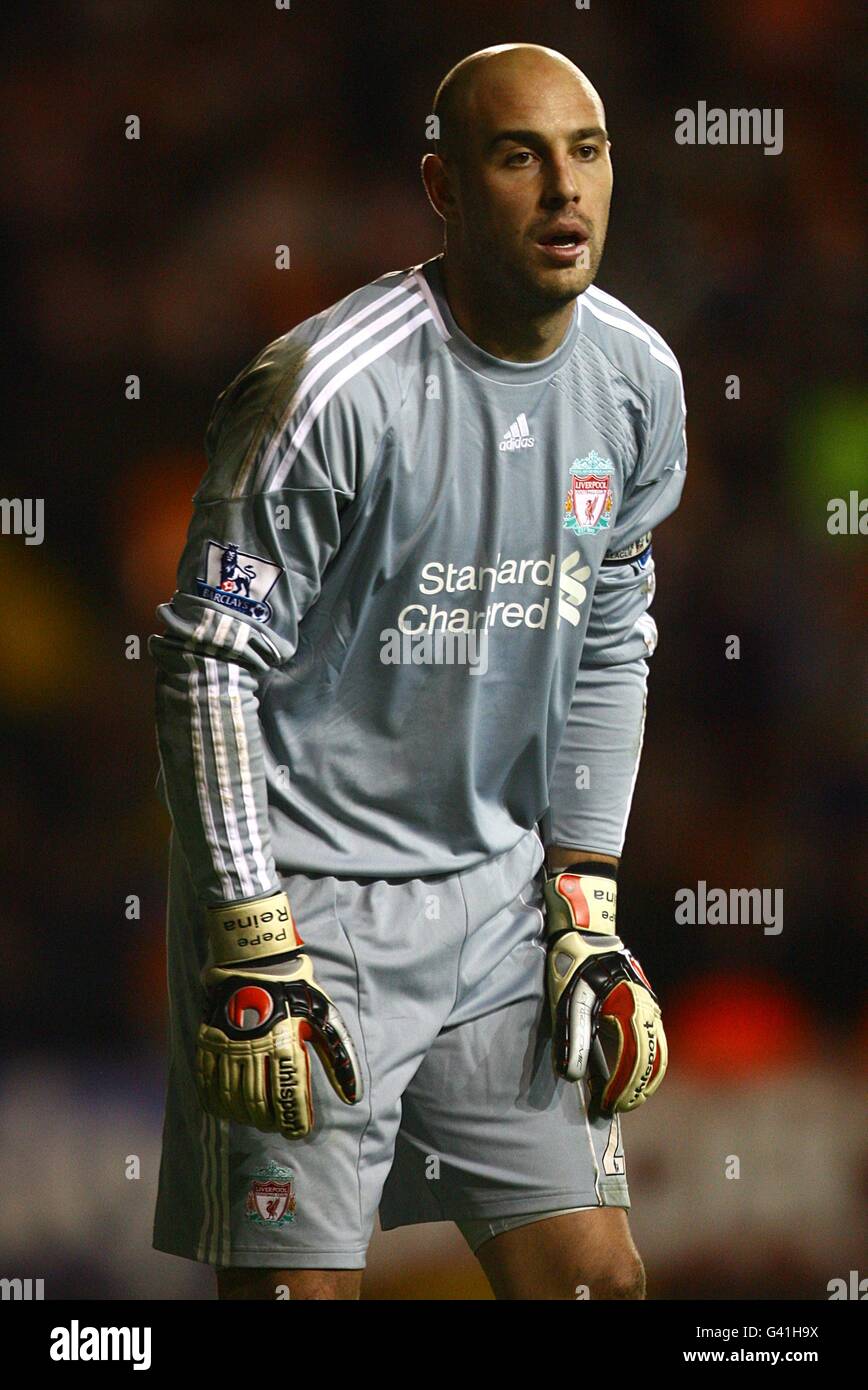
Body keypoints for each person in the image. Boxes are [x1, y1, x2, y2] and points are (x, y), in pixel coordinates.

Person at [149, 42, 686, 1301]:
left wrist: (587, 899)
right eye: (520, 156)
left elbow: (612, 626)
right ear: (444, 189)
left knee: (598, 1279)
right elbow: (207, 661)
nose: (564, 189)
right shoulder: (324, 389)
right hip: (308, 914)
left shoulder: (637, 379)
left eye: (588, 151)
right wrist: (247, 930)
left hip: (503, 910)